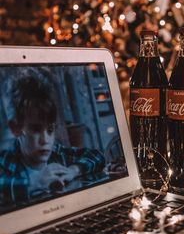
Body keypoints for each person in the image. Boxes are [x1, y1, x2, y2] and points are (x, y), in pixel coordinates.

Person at [0, 72, 105, 206]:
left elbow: (97, 156)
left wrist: (74, 170)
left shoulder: (57, 153)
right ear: (16, 128)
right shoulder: (5, 161)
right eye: (36, 130)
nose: (45, 140)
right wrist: (34, 182)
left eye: (50, 130)